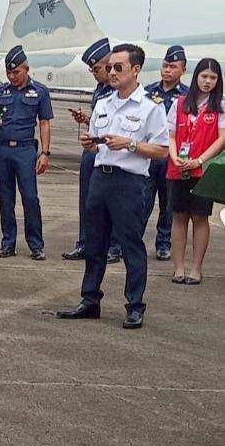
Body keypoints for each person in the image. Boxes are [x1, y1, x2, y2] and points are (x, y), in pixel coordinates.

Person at [57, 44, 169, 330]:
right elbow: (97, 143)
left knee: (130, 244)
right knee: (94, 243)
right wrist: (90, 144)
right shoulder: (104, 103)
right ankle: (89, 299)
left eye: (119, 67)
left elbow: (161, 150)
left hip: (129, 182)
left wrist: (130, 144)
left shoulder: (150, 107)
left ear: (136, 69)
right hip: (100, 178)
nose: (112, 72)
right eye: (110, 67)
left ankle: (135, 306)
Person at [0, 45, 53, 260]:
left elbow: (44, 122)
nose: (12, 76)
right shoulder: (0, 93)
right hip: (2, 149)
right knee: (6, 198)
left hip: (25, 150)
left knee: (30, 198)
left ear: (26, 69)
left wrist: (45, 153)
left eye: (16, 72)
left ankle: (36, 245)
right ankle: (8, 243)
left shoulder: (40, 92)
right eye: (9, 72)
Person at [166, 57, 225, 286]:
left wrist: (199, 160)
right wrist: (175, 157)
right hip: (179, 168)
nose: (207, 81)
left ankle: (195, 268)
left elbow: (221, 139)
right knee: (179, 216)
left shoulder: (219, 106)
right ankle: (178, 267)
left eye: (213, 78)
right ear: (196, 77)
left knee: (200, 217)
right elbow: (170, 135)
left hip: (203, 171)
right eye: (204, 76)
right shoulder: (180, 103)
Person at [62, 38, 121, 263]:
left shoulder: (120, 91)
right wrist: (86, 120)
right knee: (87, 200)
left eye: (96, 69)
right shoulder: (99, 89)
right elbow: (100, 123)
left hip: (111, 152)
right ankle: (85, 243)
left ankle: (113, 246)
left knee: (111, 202)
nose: (94, 74)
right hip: (92, 150)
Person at [142, 45, 189, 261]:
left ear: (183, 70)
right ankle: (131, 241)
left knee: (168, 204)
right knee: (142, 202)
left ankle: (163, 243)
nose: (167, 70)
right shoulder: (148, 92)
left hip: (172, 158)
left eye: (173, 67)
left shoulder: (187, 96)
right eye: (165, 65)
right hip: (150, 156)